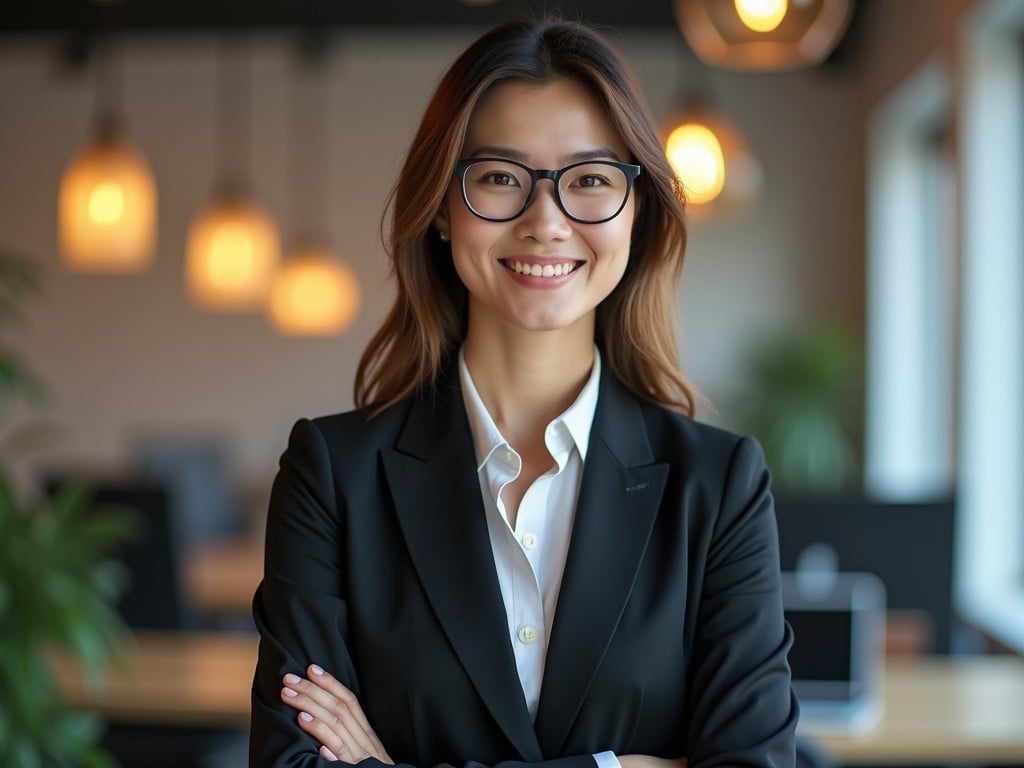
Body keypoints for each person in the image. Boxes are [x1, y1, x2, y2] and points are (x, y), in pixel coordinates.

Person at [250, 16, 798, 768]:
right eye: (501, 178)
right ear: (443, 207)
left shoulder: (720, 486)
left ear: (635, 214)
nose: (546, 222)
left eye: (592, 180)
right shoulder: (333, 476)